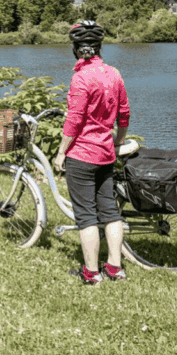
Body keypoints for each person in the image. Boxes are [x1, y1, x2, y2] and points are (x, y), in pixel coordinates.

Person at [53, 20, 130, 285]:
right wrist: (118, 141)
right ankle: (115, 268)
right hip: (106, 154)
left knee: (86, 216)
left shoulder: (80, 78)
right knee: (110, 212)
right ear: (99, 48)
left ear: (76, 50)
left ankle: (91, 273)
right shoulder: (114, 74)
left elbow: (74, 120)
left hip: (82, 155)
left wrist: (61, 152)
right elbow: (124, 114)